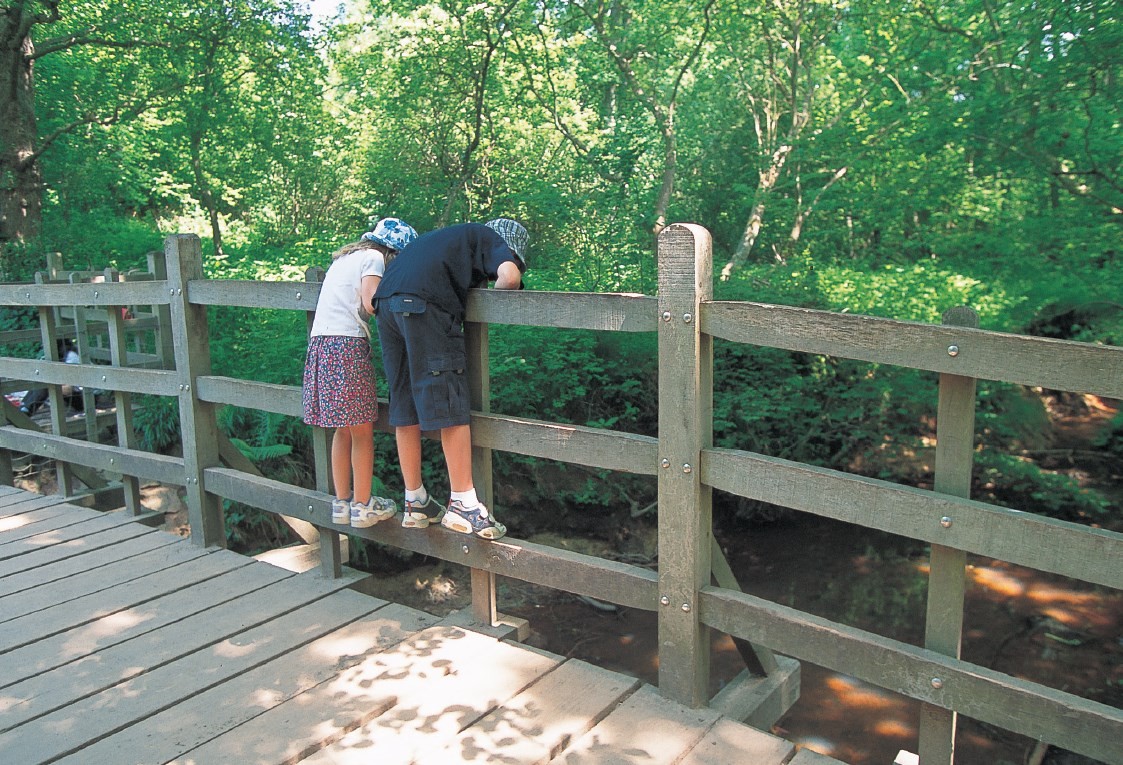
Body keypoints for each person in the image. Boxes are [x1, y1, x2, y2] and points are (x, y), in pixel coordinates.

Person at [373, 217, 528, 540]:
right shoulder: (489, 237)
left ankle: (415, 501)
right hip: (424, 303)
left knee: (405, 402)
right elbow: (509, 278)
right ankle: (464, 503)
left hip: (386, 303)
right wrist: (491, 302)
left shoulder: (444, 238)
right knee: (450, 398)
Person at [303, 217, 419, 528]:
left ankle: (342, 502)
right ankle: (363, 505)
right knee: (363, 430)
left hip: (321, 344)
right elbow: (370, 302)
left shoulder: (344, 258)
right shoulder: (374, 258)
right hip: (346, 346)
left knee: (343, 428)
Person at [19, 339, 82, 415]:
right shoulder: (59, 356)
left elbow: (68, 389)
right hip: (72, 394)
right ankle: (24, 407)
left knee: (47, 385)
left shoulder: (71, 357)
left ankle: (26, 411)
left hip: (85, 398)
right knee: (42, 383)